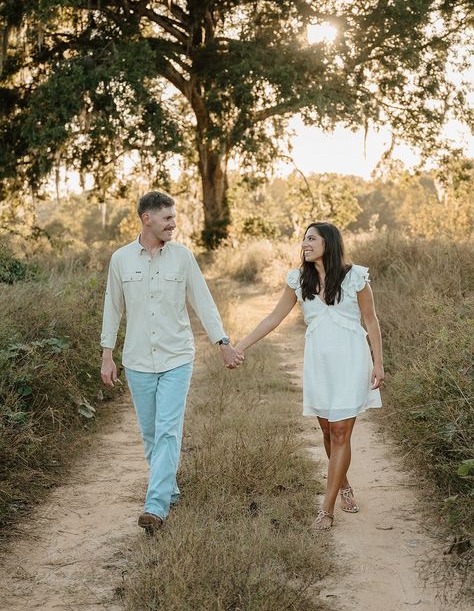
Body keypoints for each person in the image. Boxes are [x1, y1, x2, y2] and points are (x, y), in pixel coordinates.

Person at [100, 191, 243, 533]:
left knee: (167, 430)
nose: (173, 224)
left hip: (177, 356)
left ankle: (156, 505)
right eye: (166, 218)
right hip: (137, 360)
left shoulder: (182, 258)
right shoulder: (121, 260)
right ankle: (168, 487)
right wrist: (107, 355)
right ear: (146, 219)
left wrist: (222, 342)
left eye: (174, 218)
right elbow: (112, 308)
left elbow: (203, 302)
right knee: (151, 434)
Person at [235, 222, 384, 531]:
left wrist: (378, 364)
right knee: (329, 433)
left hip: (351, 361)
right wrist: (241, 345)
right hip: (318, 364)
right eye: (303, 239)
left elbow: (371, 321)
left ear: (328, 242)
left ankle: (326, 510)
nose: (305, 243)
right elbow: (274, 318)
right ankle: (342, 485)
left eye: (312, 239)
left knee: (342, 431)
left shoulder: (356, 277)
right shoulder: (297, 280)